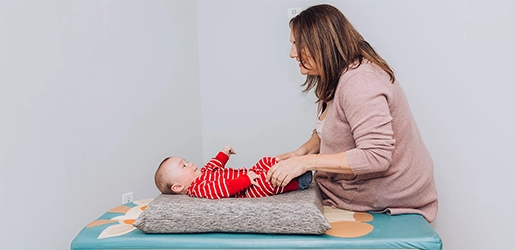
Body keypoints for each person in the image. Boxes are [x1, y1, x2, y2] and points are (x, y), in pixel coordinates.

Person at [266, 4, 438, 222]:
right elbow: (330, 128)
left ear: (323, 44)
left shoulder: (361, 83)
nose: (292, 54)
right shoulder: (335, 75)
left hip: (387, 195)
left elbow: (376, 156)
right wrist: (301, 152)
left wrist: (307, 163)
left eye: (298, 45)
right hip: (354, 187)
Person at [155, 145, 312, 199]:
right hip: (249, 189)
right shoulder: (198, 188)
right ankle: (298, 183)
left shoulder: (203, 173)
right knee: (267, 181)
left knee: (265, 161)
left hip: (250, 175)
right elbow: (223, 189)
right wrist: (246, 180)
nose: (190, 164)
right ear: (177, 187)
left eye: (186, 160)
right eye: (184, 166)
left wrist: (224, 153)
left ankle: (292, 167)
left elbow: (213, 164)